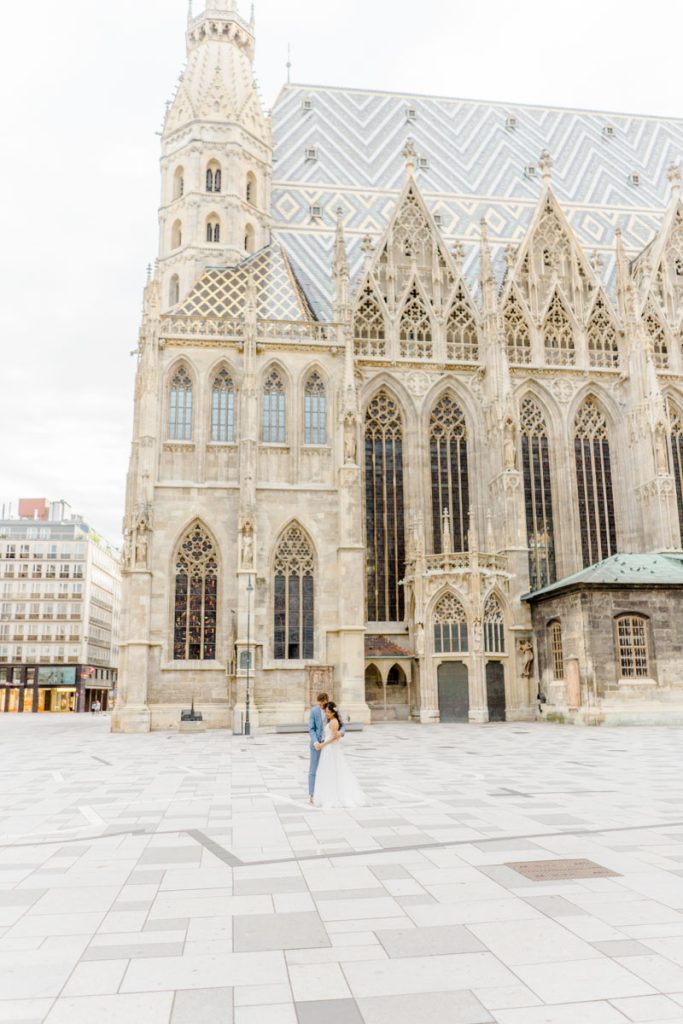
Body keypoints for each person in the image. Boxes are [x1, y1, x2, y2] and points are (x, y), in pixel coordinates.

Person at [313, 702, 368, 809]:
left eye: (329, 712)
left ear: (334, 712)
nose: (327, 714)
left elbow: (334, 737)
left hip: (330, 748)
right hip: (328, 748)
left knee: (332, 770)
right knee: (328, 770)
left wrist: (322, 744)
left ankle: (333, 795)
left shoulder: (333, 722)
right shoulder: (332, 721)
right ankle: (328, 793)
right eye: (326, 712)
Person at [308, 692, 328, 805]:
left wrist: (341, 733)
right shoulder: (314, 711)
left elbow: (341, 724)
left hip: (328, 744)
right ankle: (312, 794)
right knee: (313, 770)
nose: (322, 706)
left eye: (323, 704)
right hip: (316, 744)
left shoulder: (332, 709)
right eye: (320, 704)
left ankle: (326, 792)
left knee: (328, 769)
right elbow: (311, 729)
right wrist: (315, 741)